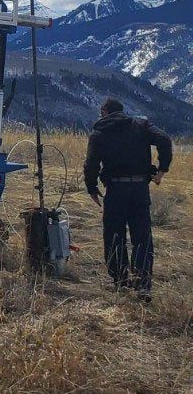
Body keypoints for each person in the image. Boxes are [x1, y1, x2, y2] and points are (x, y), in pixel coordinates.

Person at [84, 97, 173, 300]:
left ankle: (120, 279)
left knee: (114, 235)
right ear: (122, 111)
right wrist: (162, 170)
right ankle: (143, 282)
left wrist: (91, 188)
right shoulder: (140, 125)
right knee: (142, 236)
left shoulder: (99, 133)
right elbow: (165, 139)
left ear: (104, 112)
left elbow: (91, 165)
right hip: (140, 188)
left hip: (115, 189)